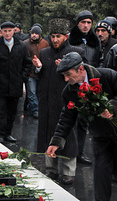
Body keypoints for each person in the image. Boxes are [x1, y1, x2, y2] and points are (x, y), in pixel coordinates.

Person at [46, 51, 117, 201]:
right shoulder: (69, 92)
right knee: (101, 174)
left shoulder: (107, 76)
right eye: (63, 75)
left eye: (68, 74)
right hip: (100, 135)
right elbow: (67, 117)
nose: (66, 79)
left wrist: (112, 107)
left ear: (81, 69)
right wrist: (56, 141)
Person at [32, 18, 85, 185]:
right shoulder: (45, 52)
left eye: (59, 36)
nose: (55, 39)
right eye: (53, 36)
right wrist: (38, 67)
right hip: (47, 102)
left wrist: (65, 66)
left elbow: (81, 77)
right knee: (49, 134)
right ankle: (51, 169)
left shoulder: (75, 52)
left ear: (66, 36)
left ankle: (69, 171)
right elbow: (39, 76)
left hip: (66, 102)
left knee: (68, 136)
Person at [0, 21, 32, 143]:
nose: (8, 33)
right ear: (1, 32)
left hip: (16, 84)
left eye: (10, 31)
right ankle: (0, 134)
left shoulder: (21, 45)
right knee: (2, 110)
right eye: (5, 31)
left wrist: (23, 77)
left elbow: (27, 63)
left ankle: (8, 133)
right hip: (1, 83)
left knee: (12, 111)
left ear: (14, 31)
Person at [68, 10, 101, 165]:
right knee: (69, 120)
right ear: (78, 23)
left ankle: (80, 153)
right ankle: (69, 152)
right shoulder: (71, 40)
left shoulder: (95, 41)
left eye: (89, 22)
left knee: (83, 122)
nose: (86, 25)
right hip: (73, 83)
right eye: (83, 22)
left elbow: (99, 61)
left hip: (89, 84)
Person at [23, 25, 49, 119]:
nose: (34, 35)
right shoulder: (25, 44)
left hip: (41, 72)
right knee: (31, 92)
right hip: (30, 72)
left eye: (36, 33)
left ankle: (35, 108)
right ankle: (35, 110)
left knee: (38, 92)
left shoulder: (45, 43)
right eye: (32, 33)